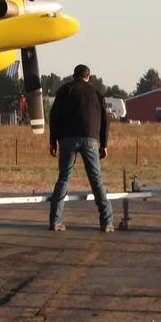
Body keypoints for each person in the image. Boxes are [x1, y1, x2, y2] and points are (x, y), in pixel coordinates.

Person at [47, 64, 113, 232]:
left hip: (67, 138)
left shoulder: (65, 90)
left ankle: (55, 221)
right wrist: (104, 144)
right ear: (88, 77)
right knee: (96, 179)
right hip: (91, 139)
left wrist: (53, 140)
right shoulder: (96, 93)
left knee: (64, 178)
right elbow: (105, 120)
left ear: (74, 75)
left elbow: (54, 116)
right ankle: (106, 222)